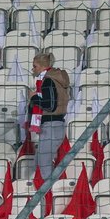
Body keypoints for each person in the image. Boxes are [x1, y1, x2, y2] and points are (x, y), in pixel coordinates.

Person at [28, 52, 70, 180]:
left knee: (44, 166)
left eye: (34, 66)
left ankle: (48, 195)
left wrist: (34, 97)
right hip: (54, 125)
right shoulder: (53, 79)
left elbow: (50, 105)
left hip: (51, 125)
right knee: (40, 162)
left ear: (41, 66)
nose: (33, 69)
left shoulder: (48, 81)